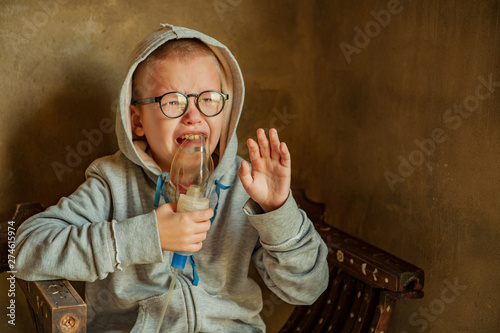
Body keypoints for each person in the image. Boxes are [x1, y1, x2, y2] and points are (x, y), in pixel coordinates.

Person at [15, 24, 329, 332]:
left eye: (208, 100)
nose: (194, 116)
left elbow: (306, 289)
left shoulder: (244, 185)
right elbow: (25, 249)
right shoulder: (112, 183)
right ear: (137, 121)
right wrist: (142, 237)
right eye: (173, 102)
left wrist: (278, 211)